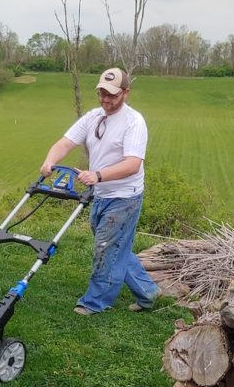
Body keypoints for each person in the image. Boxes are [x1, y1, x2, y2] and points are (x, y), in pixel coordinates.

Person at [39, 67, 158, 316]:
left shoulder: (134, 122)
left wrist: (97, 175)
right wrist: (49, 161)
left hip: (124, 196)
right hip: (101, 194)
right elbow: (65, 142)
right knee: (116, 248)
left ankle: (95, 302)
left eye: (112, 95)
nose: (105, 99)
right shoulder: (94, 116)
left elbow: (133, 164)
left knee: (105, 247)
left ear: (125, 92)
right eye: (102, 93)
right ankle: (148, 292)